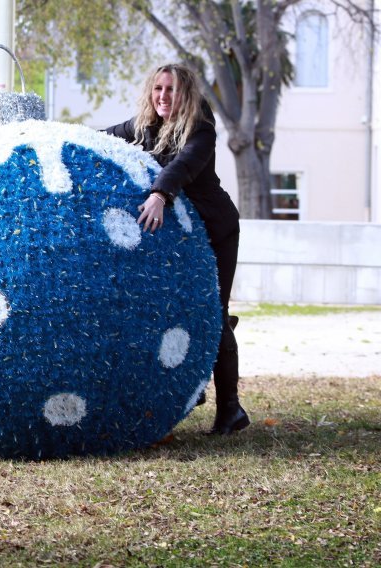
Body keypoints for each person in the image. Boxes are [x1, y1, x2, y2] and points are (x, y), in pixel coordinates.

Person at [104, 63, 249, 436]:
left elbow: (185, 165)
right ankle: (192, 387)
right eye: (158, 89)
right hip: (179, 240)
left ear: (186, 94)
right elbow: (103, 137)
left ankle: (230, 409)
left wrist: (159, 193)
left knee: (214, 314)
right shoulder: (144, 125)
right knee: (174, 310)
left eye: (172, 90)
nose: (164, 97)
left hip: (215, 230)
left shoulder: (202, 128)